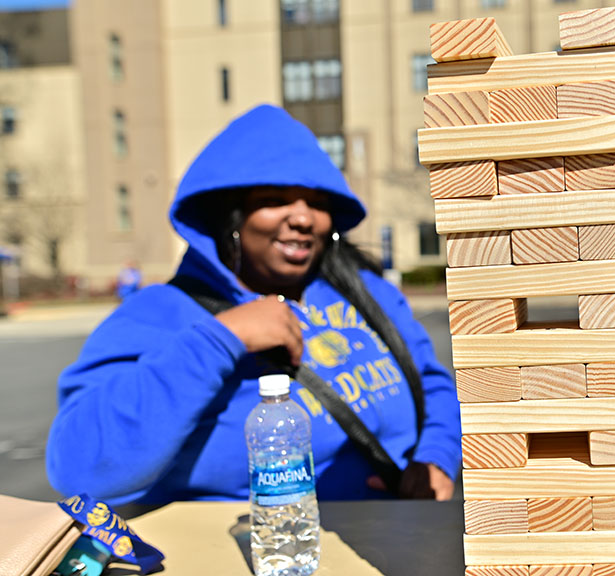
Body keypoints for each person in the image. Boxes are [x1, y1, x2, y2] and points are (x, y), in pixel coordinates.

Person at [46, 105, 461, 505]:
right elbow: (79, 469)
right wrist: (222, 339)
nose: (303, 217)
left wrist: (437, 459)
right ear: (230, 217)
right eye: (275, 199)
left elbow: (432, 382)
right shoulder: (156, 314)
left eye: (317, 202)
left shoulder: (365, 288)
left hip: (392, 544)